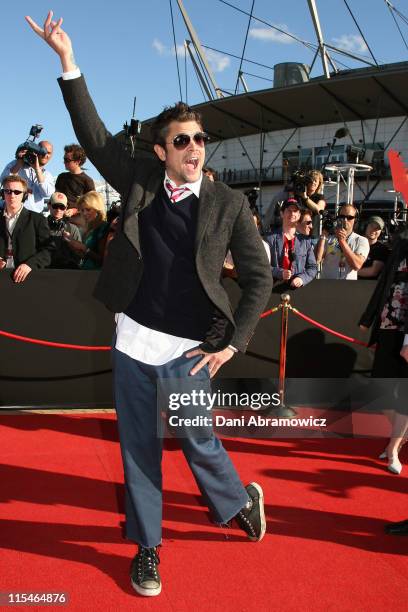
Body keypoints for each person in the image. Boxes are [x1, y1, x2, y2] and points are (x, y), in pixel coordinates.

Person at [26, 12, 272, 598]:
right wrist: (68, 62)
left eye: (199, 139)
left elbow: (259, 277)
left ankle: (237, 500)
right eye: (182, 140)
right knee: (137, 449)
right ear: (162, 150)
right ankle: (147, 547)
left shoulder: (229, 205)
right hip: (135, 339)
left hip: (192, 350)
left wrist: (236, 341)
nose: (194, 147)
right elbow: (93, 135)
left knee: (196, 439)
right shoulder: (137, 179)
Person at [359, 229, 408, 475]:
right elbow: (383, 285)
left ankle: (393, 447)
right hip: (389, 324)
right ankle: (401, 435)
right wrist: (368, 317)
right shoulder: (400, 245)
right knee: (380, 385)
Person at [0, 175, 53, 282]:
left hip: (28, 280)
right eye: (8, 191)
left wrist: (30, 265)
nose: (12, 195)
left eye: (17, 192)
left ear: (24, 196)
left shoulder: (38, 219)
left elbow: (49, 250)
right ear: (3, 194)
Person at [267, 198, 317, 288]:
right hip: (273, 288)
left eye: (295, 211)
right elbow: (263, 266)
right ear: (282, 214)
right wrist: (279, 272)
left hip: (297, 291)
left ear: (299, 215)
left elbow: (313, 267)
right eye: (289, 210)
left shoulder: (305, 241)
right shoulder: (270, 239)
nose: (292, 214)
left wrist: (301, 279)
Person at [263, 169, 326, 237]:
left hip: (312, 235)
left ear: (319, 184)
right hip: (296, 234)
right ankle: (264, 229)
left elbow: (319, 210)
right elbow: (287, 203)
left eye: (315, 181)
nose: (313, 182)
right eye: (311, 180)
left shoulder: (320, 197)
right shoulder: (298, 192)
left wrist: (305, 198)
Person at [316, 204, 370, 279]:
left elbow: (357, 265)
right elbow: (316, 260)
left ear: (355, 219)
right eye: (342, 217)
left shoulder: (361, 240)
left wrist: (342, 241)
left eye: (349, 217)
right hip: (327, 286)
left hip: (348, 288)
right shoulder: (328, 238)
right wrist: (323, 235)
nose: (345, 220)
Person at [0, 140, 54, 214]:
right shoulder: (16, 164)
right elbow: (4, 180)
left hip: (35, 216)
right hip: (13, 212)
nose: (45, 155)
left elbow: (47, 193)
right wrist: (19, 163)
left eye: (49, 153)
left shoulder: (47, 175)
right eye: (43, 151)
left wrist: (37, 169)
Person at [55, 143, 95, 230]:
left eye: (67, 160)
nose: (64, 162)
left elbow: (92, 206)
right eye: (64, 159)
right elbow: (55, 197)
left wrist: (74, 210)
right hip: (60, 219)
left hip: (78, 222)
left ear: (77, 162)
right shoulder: (61, 177)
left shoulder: (87, 181)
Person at [65, 191, 109, 270]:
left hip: (97, 276)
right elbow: (87, 256)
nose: (84, 213)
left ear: (97, 209)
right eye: (82, 210)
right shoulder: (91, 228)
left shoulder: (104, 227)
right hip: (86, 274)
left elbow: (103, 260)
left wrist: (83, 247)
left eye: (88, 209)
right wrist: (73, 246)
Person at [47, 191, 82, 269]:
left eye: (62, 207)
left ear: (66, 208)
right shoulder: (40, 226)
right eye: (55, 206)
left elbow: (79, 256)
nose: (58, 210)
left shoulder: (73, 229)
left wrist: (71, 243)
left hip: (66, 272)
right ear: (49, 205)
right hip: (45, 270)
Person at [358, 215, 389, 280]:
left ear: (381, 232)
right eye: (371, 226)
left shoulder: (381, 249)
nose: (373, 230)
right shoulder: (355, 243)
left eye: (377, 228)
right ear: (365, 226)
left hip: (369, 287)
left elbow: (373, 271)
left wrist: (351, 272)